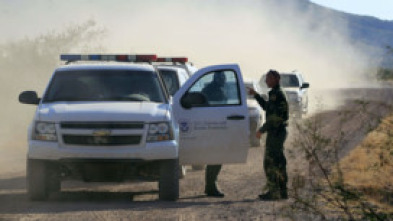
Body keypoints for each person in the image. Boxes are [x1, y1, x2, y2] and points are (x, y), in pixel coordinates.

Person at [248, 70, 289, 200]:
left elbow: (274, 118)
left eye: (269, 79)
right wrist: (256, 95)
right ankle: (281, 191)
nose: (266, 81)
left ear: (276, 79)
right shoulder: (274, 94)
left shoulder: (278, 94)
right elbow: (267, 107)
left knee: (271, 162)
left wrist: (262, 129)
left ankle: (274, 191)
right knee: (279, 162)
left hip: (276, 132)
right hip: (276, 132)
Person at [201, 71, 227, 197]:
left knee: (217, 157)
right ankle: (211, 186)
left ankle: (210, 185)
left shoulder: (215, 89)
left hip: (217, 126)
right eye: (222, 78)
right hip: (213, 126)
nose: (224, 80)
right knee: (216, 157)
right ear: (217, 78)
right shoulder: (211, 90)